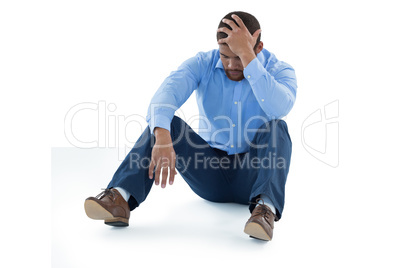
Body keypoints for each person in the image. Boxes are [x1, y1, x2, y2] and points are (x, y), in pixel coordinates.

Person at [84, 11, 297, 241]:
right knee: (164, 125)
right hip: (209, 172)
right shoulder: (203, 63)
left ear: (259, 47)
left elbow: (279, 108)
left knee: (277, 128)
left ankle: (264, 211)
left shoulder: (280, 71)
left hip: (255, 175)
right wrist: (163, 137)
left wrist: (248, 58)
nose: (232, 64)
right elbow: (166, 94)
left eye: (240, 56)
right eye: (226, 55)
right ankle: (120, 199)